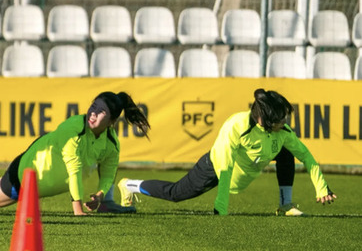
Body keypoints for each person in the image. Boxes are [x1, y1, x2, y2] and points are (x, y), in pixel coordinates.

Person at [118, 89, 337, 216]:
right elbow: (225, 167)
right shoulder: (236, 126)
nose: (285, 122)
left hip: (243, 171)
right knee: (175, 194)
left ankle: (285, 205)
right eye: (281, 119)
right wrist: (220, 208)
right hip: (214, 168)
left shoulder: (282, 133)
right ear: (265, 121)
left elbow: (306, 155)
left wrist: (321, 187)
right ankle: (129, 185)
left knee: (287, 151)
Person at [0, 92, 150, 216]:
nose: (93, 113)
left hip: (42, 185)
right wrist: (77, 209)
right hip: (27, 172)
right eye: (93, 106)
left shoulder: (111, 143)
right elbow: (73, 168)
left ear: (112, 121)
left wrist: (100, 194)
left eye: (101, 111)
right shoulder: (74, 128)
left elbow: (109, 171)